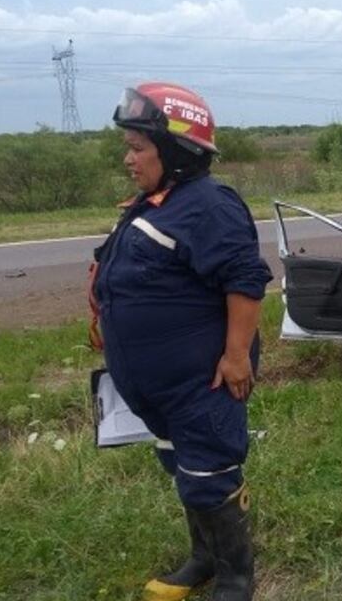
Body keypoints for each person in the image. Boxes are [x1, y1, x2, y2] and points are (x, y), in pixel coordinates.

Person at [91, 82, 272, 601]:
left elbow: (246, 279)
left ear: (174, 150)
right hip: (159, 389)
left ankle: (237, 578)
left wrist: (237, 355)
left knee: (210, 472)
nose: (129, 158)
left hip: (203, 383)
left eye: (137, 147)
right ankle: (203, 559)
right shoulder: (156, 203)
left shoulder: (208, 205)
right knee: (183, 468)